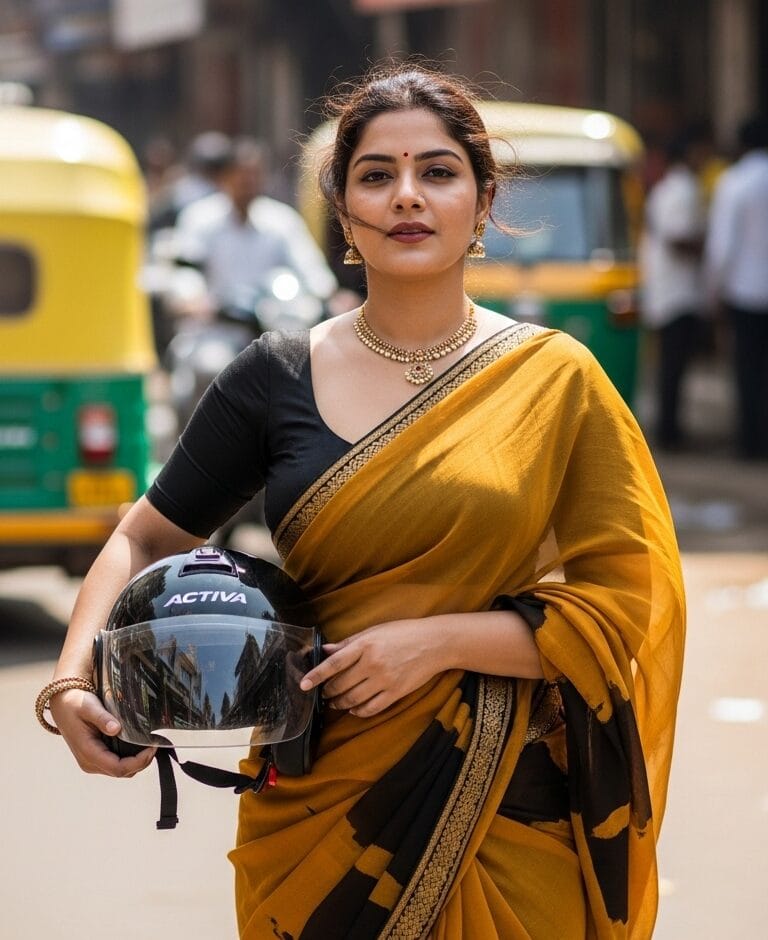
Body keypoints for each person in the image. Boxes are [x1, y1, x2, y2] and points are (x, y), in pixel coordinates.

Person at [40, 63, 685, 939]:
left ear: (482, 201)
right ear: (342, 213)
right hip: (318, 810)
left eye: (439, 171)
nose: (407, 197)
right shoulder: (275, 376)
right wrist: (74, 680)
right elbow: (145, 534)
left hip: (506, 803)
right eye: (376, 176)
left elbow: (630, 606)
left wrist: (441, 643)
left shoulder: (557, 381)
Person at [175, 137, 338, 306]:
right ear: (226, 177)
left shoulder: (282, 221)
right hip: (213, 326)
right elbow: (186, 271)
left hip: (270, 322)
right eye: (242, 177)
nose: (249, 184)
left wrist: (327, 293)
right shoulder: (199, 218)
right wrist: (192, 298)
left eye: (255, 176)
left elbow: (311, 269)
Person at [639, 127, 710, 449]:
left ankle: (670, 429)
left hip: (668, 289)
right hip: (677, 293)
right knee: (672, 366)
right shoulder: (683, 189)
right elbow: (676, 236)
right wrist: (705, 246)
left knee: (671, 365)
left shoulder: (668, 188)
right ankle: (670, 432)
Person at [704, 116, 768, 460]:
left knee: (747, 369)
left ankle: (751, 442)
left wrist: (712, 292)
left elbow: (722, 246)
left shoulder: (735, 182)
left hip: (744, 291)